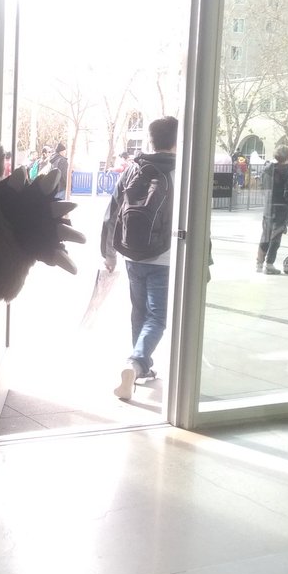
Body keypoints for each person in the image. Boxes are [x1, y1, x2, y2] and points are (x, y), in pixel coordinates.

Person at [102, 116, 177, 401]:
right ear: (177, 141)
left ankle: (139, 369)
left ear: (151, 140)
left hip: (132, 255)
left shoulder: (134, 168)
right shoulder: (180, 172)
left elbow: (112, 211)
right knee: (157, 316)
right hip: (164, 257)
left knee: (139, 311)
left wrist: (108, 253)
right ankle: (135, 363)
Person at [256, 145, 288, 274]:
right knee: (276, 237)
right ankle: (269, 264)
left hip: (268, 205)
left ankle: (259, 263)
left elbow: (263, 187)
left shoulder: (267, 169)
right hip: (281, 207)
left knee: (265, 235)